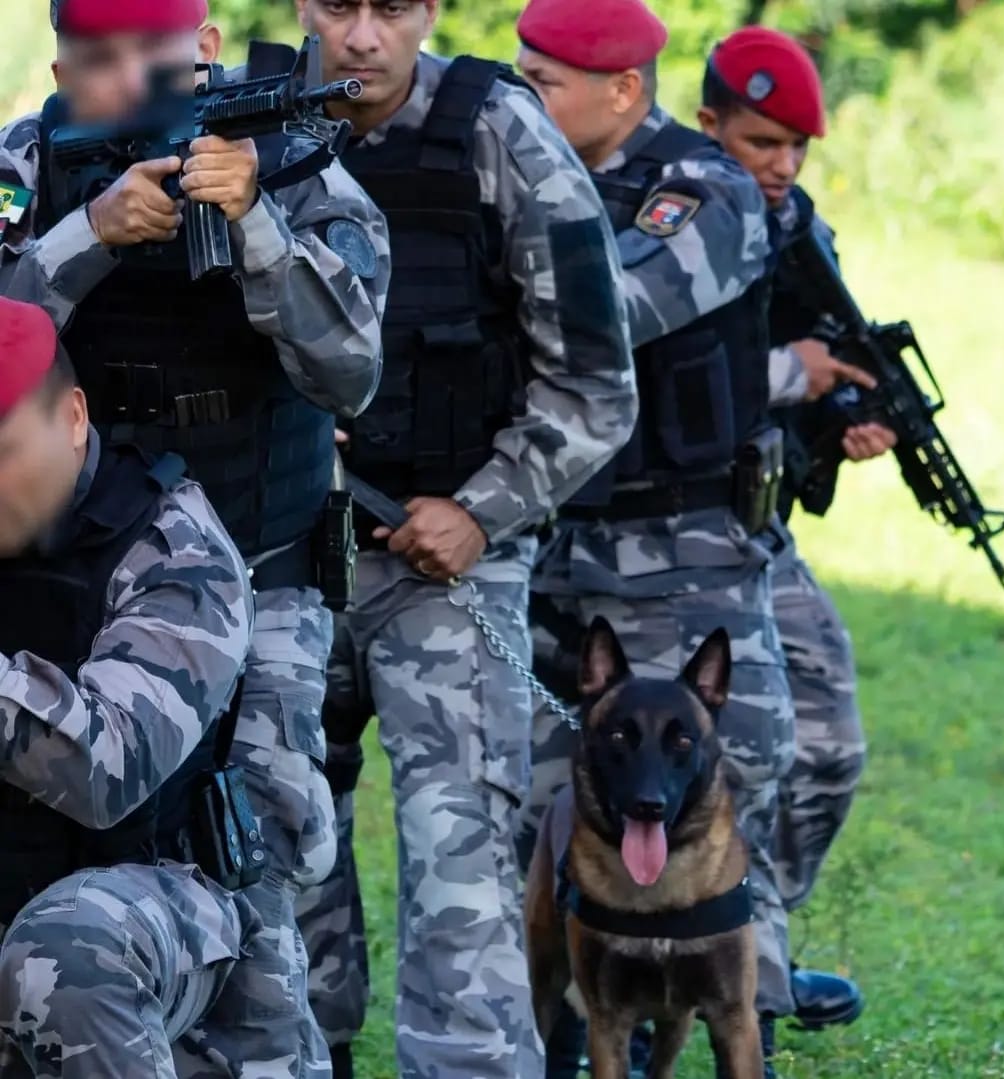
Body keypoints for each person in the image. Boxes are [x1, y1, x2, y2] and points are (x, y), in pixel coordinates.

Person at [0, 1, 390, 1074]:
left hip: (257, 575)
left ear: (207, 50)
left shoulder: (300, 167)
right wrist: (86, 237)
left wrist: (255, 222)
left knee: (252, 846)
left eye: (156, 56)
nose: (131, 83)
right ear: (59, 73)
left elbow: (351, 371)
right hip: (62, 570)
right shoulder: (26, 170)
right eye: (99, 61)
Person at [289, 1, 639, 1076]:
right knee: (275, 848)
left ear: (430, 11)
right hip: (279, 559)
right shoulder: (254, 125)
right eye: (337, 5)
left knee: (461, 862)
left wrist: (483, 508)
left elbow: (595, 383)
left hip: (442, 564)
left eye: (391, 8)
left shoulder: (500, 131)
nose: (361, 36)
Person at [513, 0, 798, 1074]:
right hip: (549, 555)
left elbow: (607, 314)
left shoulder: (703, 191)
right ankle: (566, 1037)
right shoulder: (530, 172)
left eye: (543, 82)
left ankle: (737, 1008)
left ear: (623, 91)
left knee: (718, 796)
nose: (522, 99)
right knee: (535, 820)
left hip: (681, 565)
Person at [699, 25, 899, 1031]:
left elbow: (798, 388)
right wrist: (793, 377)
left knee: (826, 747)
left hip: (753, 528)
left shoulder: (794, 227)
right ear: (709, 126)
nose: (781, 166)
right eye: (760, 142)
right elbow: (645, 370)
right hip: (645, 532)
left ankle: (750, 945)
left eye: (796, 148)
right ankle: (680, 971)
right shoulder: (669, 209)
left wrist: (835, 425)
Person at [0, 295, 258, 1078]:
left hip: (150, 906)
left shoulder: (176, 549)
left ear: (74, 418)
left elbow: (109, 770)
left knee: (64, 949)